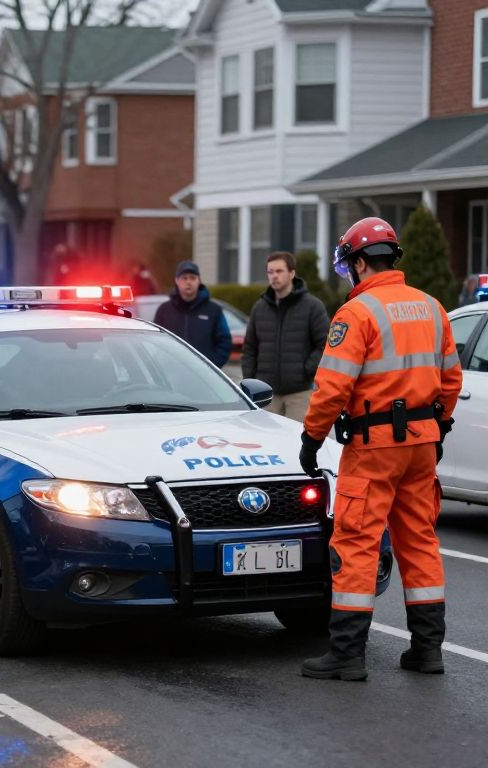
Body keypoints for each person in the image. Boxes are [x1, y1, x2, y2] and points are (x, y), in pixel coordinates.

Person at [298, 217, 462, 681]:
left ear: (360, 262)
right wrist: (439, 427)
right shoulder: (432, 308)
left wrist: (312, 439)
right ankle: (428, 650)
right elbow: (451, 380)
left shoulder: (357, 314)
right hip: (422, 445)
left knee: (355, 543)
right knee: (419, 543)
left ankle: (347, 654)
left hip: (373, 448)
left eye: (349, 264)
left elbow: (332, 388)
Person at [241, 252, 330, 421]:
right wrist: (250, 380)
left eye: (279, 271)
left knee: (297, 442)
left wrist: (307, 370)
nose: (274, 276)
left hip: (299, 394)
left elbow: (326, 343)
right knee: (267, 441)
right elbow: (249, 348)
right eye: (270, 272)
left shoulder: (312, 306)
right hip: (266, 395)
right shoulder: (259, 308)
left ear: (292, 273)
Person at [153, 260, 232, 368]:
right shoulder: (164, 310)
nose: (188, 282)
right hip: (170, 374)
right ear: (177, 280)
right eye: (184, 278)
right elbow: (155, 343)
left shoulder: (214, 310)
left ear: (199, 281)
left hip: (204, 376)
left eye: (192, 278)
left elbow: (225, 341)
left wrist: (212, 367)